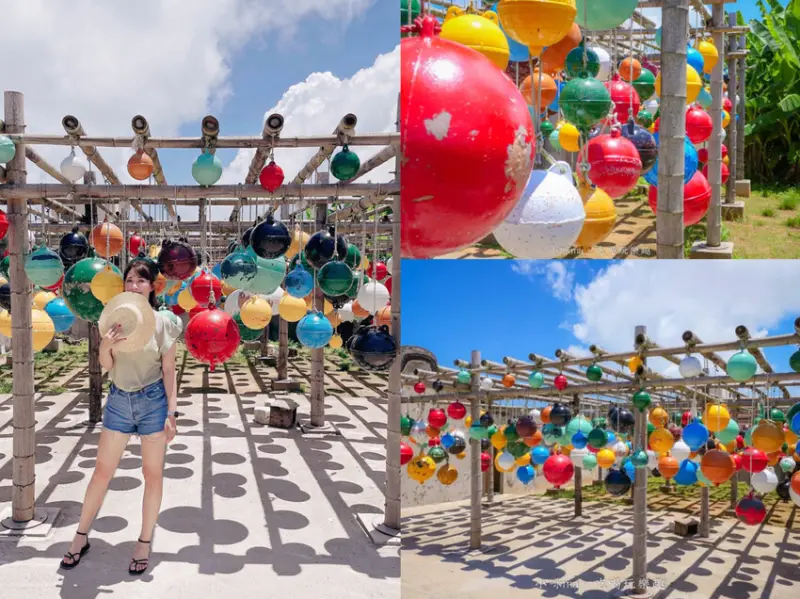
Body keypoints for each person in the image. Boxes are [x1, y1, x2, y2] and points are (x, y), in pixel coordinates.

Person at [60, 259, 182, 575]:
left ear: (153, 286)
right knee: (102, 471)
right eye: (129, 280)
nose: (133, 286)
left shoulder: (164, 321)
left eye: (141, 281)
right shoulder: (114, 318)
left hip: (153, 401)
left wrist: (172, 412)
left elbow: (169, 369)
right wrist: (106, 343)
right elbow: (107, 365)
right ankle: (80, 536)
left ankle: (143, 542)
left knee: (152, 474)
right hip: (118, 400)